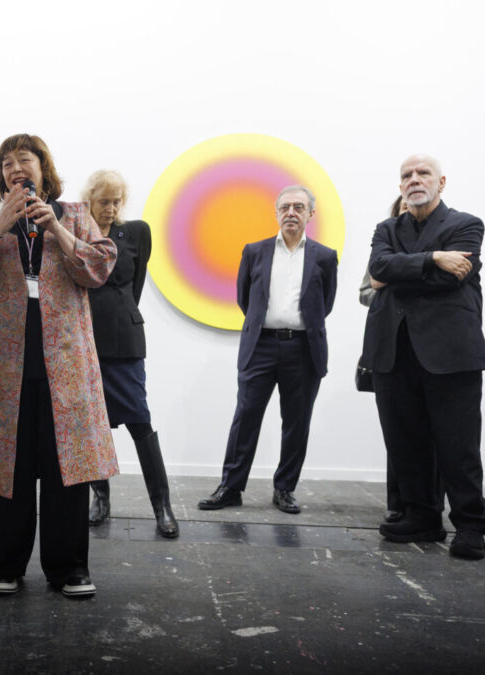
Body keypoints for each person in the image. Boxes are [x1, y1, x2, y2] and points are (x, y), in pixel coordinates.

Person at [0, 134, 117, 598]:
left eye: (23, 159)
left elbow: (99, 268)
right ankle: (4, 565)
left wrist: (57, 229)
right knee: (10, 466)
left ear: (43, 167)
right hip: (7, 364)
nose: (14, 168)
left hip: (66, 364)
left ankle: (69, 568)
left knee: (67, 466)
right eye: (6, 163)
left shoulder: (76, 214)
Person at [365, 154, 485, 560]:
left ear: (441, 182)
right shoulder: (387, 228)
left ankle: (471, 525)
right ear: (400, 186)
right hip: (394, 350)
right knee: (405, 441)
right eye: (407, 175)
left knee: (458, 445)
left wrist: (400, 272)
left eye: (423, 173)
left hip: (450, 352)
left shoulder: (466, 224)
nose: (414, 179)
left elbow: (454, 277)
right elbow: (377, 267)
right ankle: (422, 516)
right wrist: (433, 258)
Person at [198, 186, 337, 514]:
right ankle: (231, 487)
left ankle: (285, 488)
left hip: (303, 349)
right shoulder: (255, 251)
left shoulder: (325, 256)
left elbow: (325, 303)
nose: (291, 213)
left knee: (296, 421)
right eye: (285, 207)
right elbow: (245, 299)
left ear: (310, 214)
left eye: (299, 207)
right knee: (246, 416)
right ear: (276, 213)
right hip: (260, 345)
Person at [81, 170, 178, 538]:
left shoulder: (136, 232)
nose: (111, 208)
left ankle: (162, 507)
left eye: (116, 201)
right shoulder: (77, 234)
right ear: (90, 200)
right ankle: (100, 499)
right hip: (86, 341)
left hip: (125, 340)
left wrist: (119, 312)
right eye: (104, 201)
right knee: (92, 426)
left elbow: (134, 284)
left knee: (140, 420)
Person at [359, 197, 443, 524]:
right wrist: (413, 272)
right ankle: (398, 503)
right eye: (402, 213)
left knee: (435, 435)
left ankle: (430, 506)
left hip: (430, 346)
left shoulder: (438, 242)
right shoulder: (383, 249)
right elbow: (368, 289)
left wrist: (397, 274)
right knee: (399, 433)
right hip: (391, 343)